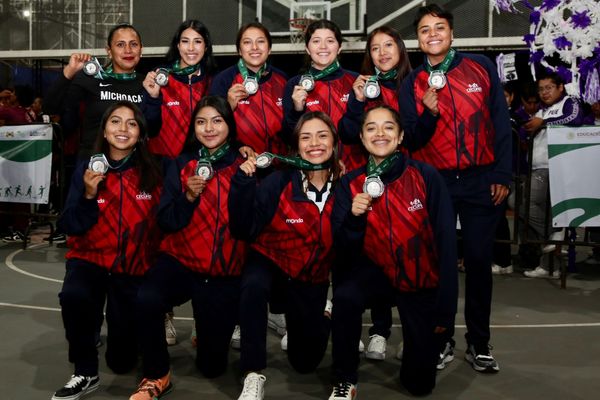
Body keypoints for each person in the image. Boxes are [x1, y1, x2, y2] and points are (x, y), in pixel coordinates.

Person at [399, 4, 511, 373]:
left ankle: (479, 342)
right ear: (418, 39)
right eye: (425, 30)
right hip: (437, 183)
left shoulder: (479, 66)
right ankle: (442, 337)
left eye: (439, 28)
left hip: (481, 181)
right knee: (441, 267)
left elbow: (499, 122)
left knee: (478, 262)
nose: (433, 34)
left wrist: (501, 174)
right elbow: (411, 140)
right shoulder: (411, 83)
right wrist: (428, 114)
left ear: (451, 33)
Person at [329, 105, 457, 399]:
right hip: (373, 275)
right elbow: (342, 251)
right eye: (371, 128)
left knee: (419, 385)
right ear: (361, 138)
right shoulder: (349, 184)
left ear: (400, 137)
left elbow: (447, 245)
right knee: (346, 298)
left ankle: (418, 349)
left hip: (418, 278)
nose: (380, 134)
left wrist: (445, 311)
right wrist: (353, 219)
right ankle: (344, 377)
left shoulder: (426, 176)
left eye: (388, 127)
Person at [130, 96, 248, 400]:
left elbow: (250, 227)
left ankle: (205, 323)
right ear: (193, 127)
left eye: (217, 120)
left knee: (212, 367)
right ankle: (157, 375)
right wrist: (188, 198)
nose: (209, 128)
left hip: (221, 272)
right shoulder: (181, 164)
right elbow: (166, 221)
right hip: (180, 261)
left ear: (229, 124)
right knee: (147, 298)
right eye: (201, 121)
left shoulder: (245, 165)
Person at [51, 101, 162, 400]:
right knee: (74, 296)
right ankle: (85, 371)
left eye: (131, 123)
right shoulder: (87, 169)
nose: (123, 129)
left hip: (131, 269)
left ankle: (129, 339)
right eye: (115, 121)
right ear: (104, 129)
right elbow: (69, 224)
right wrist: (88, 194)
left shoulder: (153, 172)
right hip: (90, 261)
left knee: (122, 362)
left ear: (140, 133)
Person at [229, 111, 342, 400]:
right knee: (253, 286)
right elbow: (245, 229)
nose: (314, 143)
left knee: (305, 363)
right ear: (296, 146)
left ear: (334, 143)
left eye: (322, 135)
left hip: (310, 276)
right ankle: (252, 373)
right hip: (272, 262)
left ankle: (325, 312)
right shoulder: (278, 182)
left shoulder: (348, 187)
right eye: (305, 137)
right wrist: (242, 184)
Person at [337, 25, 412, 361]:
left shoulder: (411, 84)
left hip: (401, 179)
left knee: (388, 251)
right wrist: (355, 101)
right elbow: (348, 132)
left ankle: (381, 330)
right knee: (352, 251)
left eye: (389, 45)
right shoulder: (363, 85)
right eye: (376, 47)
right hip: (364, 178)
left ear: (400, 50)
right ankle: (349, 328)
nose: (382, 53)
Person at [44, 23, 145, 160]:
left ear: (141, 49)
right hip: (93, 163)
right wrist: (69, 72)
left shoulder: (148, 84)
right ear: (109, 51)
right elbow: (50, 107)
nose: (128, 50)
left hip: (134, 164)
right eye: (120, 45)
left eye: (133, 44)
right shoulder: (91, 79)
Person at [521, 72, 585, 278]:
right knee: (531, 206)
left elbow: (574, 119)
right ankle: (551, 255)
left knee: (530, 203)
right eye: (541, 89)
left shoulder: (569, 102)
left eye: (548, 88)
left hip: (557, 165)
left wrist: (544, 123)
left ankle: (554, 239)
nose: (544, 92)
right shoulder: (542, 110)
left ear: (560, 88)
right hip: (538, 166)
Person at [282, 19, 361, 171]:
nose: (323, 46)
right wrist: (296, 110)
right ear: (307, 48)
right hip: (310, 170)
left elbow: (364, 130)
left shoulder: (356, 81)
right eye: (316, 41)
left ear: (339, 47)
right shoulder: (295, 84)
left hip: (353, 169)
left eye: (330, 41)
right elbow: (288, 137)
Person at [210, 22, 288, 155]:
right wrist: (228, 106)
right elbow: (211, 127)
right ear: (239, 50)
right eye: (247, 42)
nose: (255, 47)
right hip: (239, 162)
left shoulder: (283, 79)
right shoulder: (223, 80)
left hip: (278, 163)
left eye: (261, 41)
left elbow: (292, 124)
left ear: (269, 48)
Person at [143, 19, 217, 158]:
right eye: (185, 41)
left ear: (206, 47)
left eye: (198, 41)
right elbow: (149, 129)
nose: (191, 48)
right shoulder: (159, 77)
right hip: (161, 164)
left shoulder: (213, 81)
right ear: (177, 45)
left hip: (199, 165)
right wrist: (153, 98)